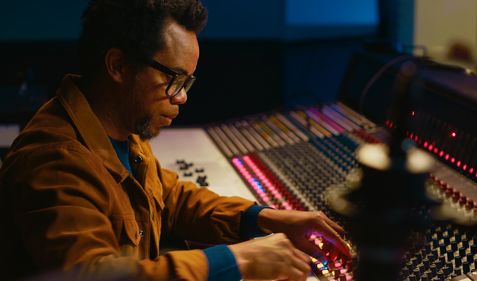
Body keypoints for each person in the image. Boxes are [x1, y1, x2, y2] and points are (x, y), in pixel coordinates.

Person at [0, 0, 351, 280]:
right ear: (118, 66)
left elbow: (167, 198)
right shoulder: (55, 161)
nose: (181, 97)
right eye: (174, 79)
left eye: (187, 82)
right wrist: (236, 260)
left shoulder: (121, 129)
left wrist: (263, 217)